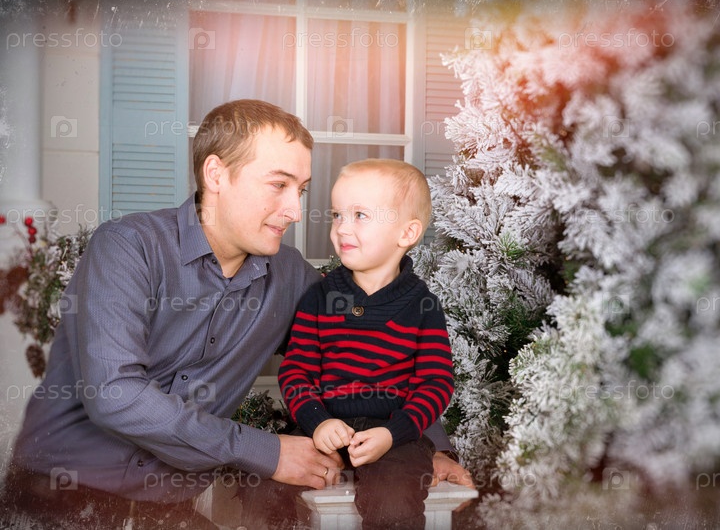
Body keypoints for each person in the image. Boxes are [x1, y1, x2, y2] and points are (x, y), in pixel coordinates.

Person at [0, 100, 470, 530]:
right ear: (216, 175)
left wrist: (424, 446)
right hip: (57, 501)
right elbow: (115, 394)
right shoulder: (128, 247)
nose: (295, 211)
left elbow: (368, 345)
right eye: (279, 185)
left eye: (302, 190)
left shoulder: (290, 277)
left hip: (167, 513)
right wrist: (267, 452)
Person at [276, 159, 454, 529]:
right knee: (268, 481)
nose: (342, 227)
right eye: (337, 215)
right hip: (324, 427)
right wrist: (317, 421)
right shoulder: (320, 297)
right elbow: (296, 371)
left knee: (395, 497)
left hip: (394, 435)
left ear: (407, 233)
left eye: (360, 215)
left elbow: (435, 383)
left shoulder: (422, 306)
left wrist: (394, 432)